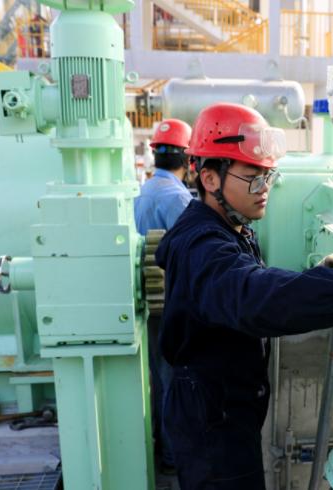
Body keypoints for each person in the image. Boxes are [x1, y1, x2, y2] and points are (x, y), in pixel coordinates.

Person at [155, 103, 333, 489]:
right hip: (212, 423)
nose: (264, 189)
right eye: (252, 178)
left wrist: (318, 278)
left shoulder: (229, 227)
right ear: (210, 179)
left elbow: (253, 282)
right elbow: (255, 296)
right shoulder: (202, 244)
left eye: (268, 176)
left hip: (220, 406)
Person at [134, 118, 193, 471]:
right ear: (188, 159)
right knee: (175, 380)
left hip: (150, 303)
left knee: (159, 378)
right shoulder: (178, 199)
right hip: (171, 304)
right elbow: (192, 257)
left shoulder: (144, 192)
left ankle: (162, 447)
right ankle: (174, 456)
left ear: (155, 155)